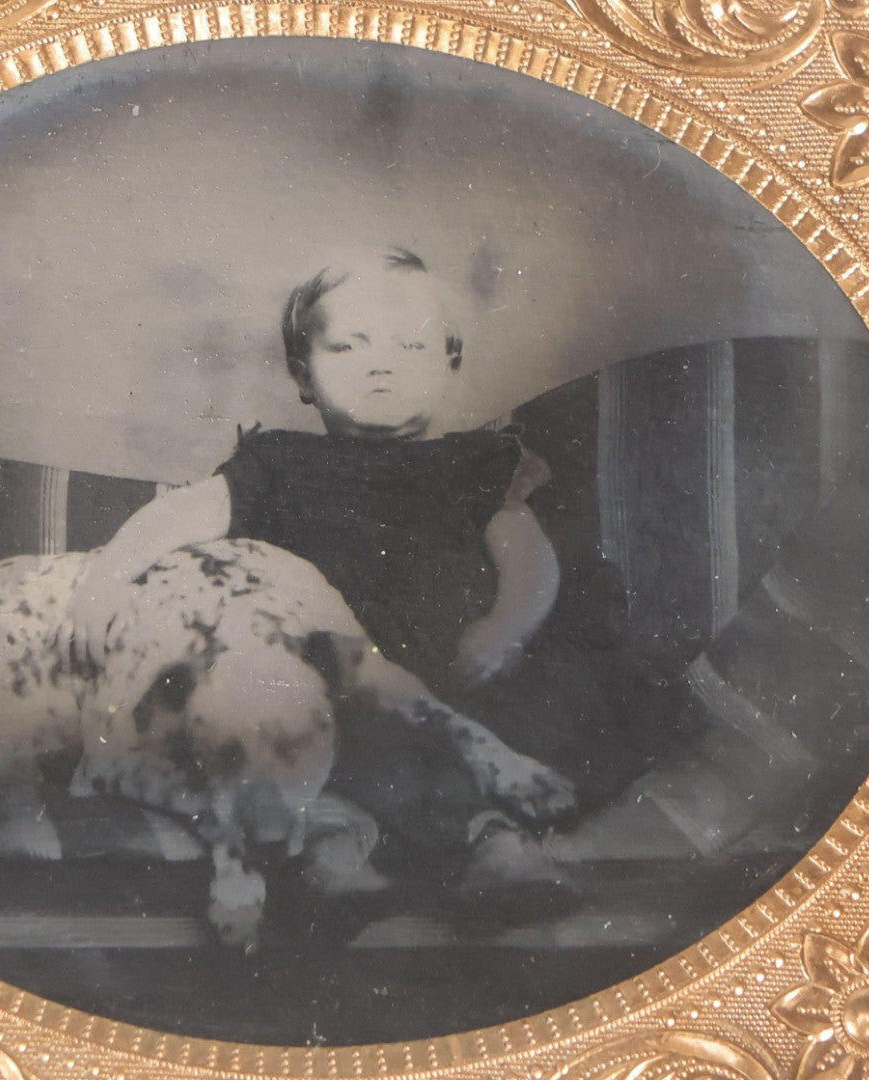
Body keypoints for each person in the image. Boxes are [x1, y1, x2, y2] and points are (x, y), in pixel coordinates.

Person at [69, 246, 566, 894]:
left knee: (515, 723)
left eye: (410, 349)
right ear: (303, 375)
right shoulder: (280, 463)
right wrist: (107, 579)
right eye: (348, 348)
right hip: (339, 673)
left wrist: (508, 626)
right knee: (312, 734)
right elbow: (182, 516)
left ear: (450, 366)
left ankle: (494, 843)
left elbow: (530, 560)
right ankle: (340, 843)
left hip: (466, 660)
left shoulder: (472, 464)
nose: (381, 365)